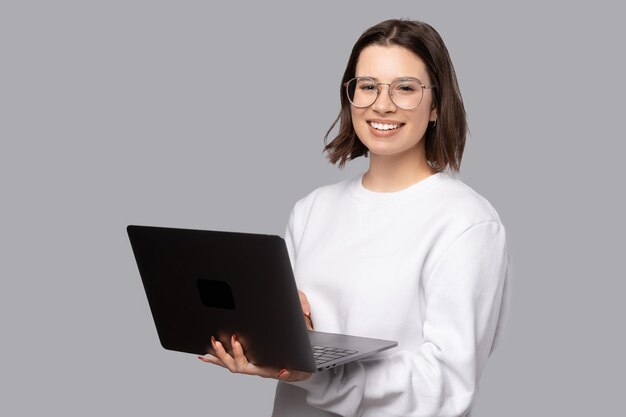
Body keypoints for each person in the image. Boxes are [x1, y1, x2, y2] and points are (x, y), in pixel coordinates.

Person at [198, 18, 510, 417]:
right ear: (351, 97)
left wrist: (317, 375)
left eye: (405, 88)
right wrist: (268, 335)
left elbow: (446, 385)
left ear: (435, 106)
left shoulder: (467, 222)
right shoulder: (312, 209)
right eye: (367, 86)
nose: (382, 104)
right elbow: (295, 344)